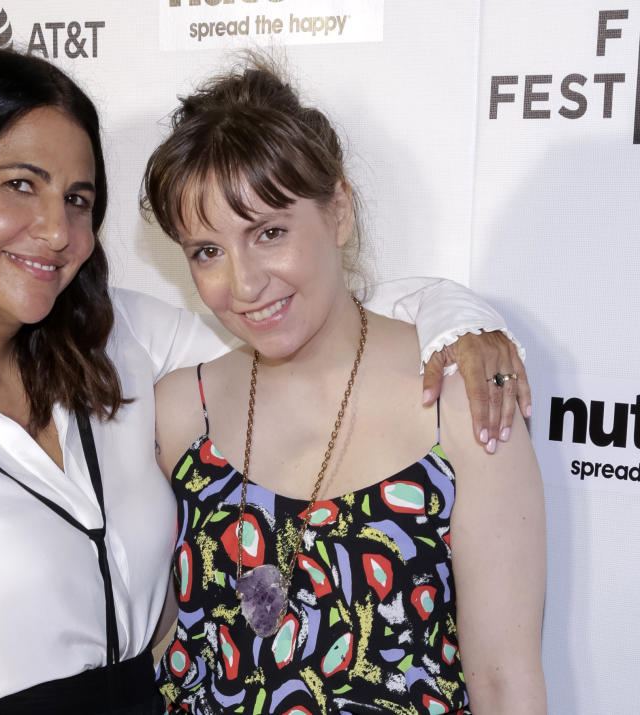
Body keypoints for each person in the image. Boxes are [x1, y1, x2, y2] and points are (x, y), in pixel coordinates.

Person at [0, 49, 528, 715]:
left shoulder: (126, 346)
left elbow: (310, 329)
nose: (57, 230)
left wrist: (457, 317)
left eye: (76, 198)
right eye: (19, 185)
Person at [143, 59, 546, 713]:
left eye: (269, 233)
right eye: (207, 251)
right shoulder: (179, 413)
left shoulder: (461, 403)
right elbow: (144, 637)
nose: (243, 285)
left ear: (339, 212)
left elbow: (505, 681)